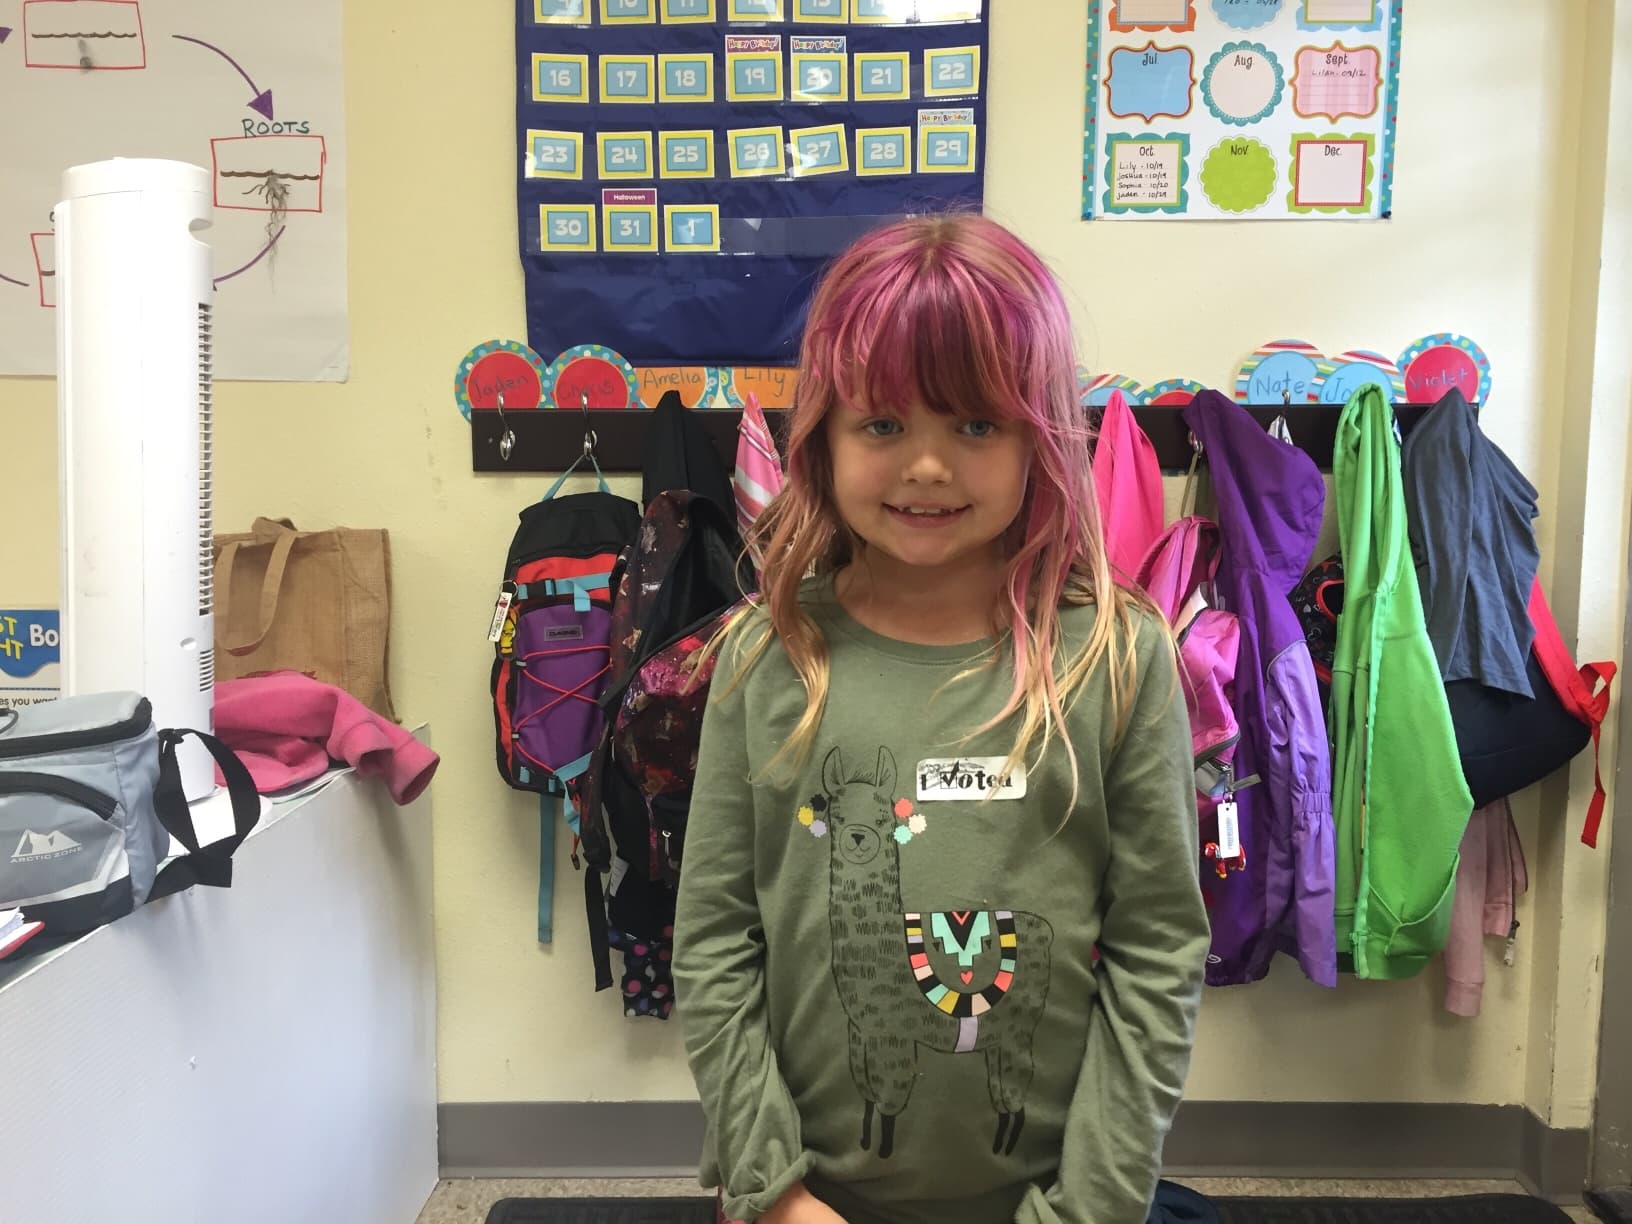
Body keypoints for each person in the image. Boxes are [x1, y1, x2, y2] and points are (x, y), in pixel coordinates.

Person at [673, 213, 1210, 1224]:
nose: (927, 467)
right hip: (808, 1198)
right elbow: (714, 941)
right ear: (823, 438)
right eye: (884, 426)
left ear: (1038, 435)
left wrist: (1090, 1206)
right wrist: (772, 1188)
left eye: (974, 425)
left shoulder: (1118, 660)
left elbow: (1157, 953)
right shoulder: (765, 658)